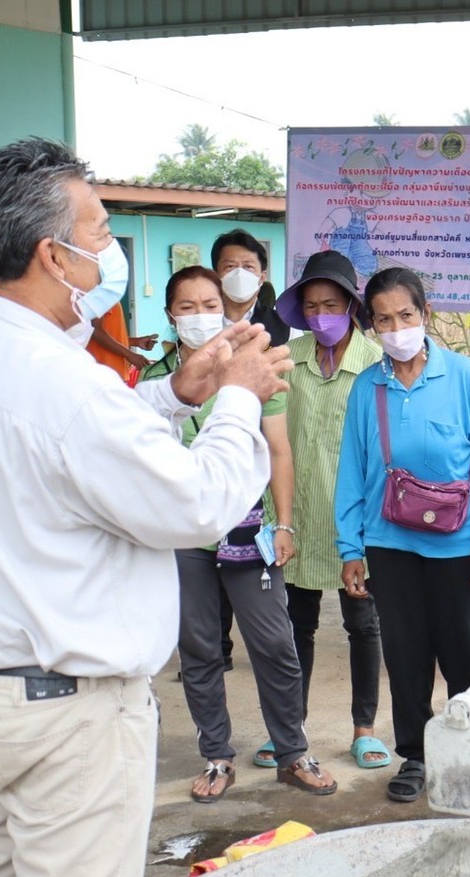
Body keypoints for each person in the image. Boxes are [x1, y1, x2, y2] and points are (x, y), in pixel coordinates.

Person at [0, 137, 290, 877]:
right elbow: (195, 503)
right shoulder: (58, 383)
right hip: (65, 716)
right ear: (53, 255)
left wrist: (177, 395)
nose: (109, 251)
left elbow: (65, 453)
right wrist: (238, 397)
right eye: (100, 232)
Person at [141, 266, 335, 801]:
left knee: (275, 643)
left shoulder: (252, 371)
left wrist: (285, 522)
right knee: (200, 647)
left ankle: (292, 753)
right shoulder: (155, 382)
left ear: (224, 311)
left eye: (210, 306)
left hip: (249, 531)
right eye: (187, 307)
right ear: (170, 315)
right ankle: (217, 757)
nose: (200, 316)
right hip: (183, 536)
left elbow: (278, 451)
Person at [334, 267, 470, 804]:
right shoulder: (367, 387)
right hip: (390, 543)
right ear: (371, 326)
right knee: (405, 656)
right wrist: (350, 547)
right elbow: (352, 470)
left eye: (405, 315)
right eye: (384, 320)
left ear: (425, 314)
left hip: (461, 545)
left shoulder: (464, 376)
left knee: (469, 655)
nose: (396, 328)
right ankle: (415, 755)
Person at [268, 250, 389, 771]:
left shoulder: (376, 363)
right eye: (312, 307)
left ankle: (364, 730)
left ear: (351, 307)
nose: (321, 316)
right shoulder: (285, 358)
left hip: (358, 519)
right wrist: (279, 519)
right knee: (297, 626)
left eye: (331, 305)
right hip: (298, 514)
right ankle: (289, 730)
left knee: (363, 624)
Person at [211, 228, 290, 669]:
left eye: (248, 266)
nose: (238, 274)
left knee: (249, 569)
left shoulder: (278, 328)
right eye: (229, 266)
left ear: (262, 276)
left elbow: (278, 439)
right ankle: (215, 648)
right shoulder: (202, 330)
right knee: (206, 565)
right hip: (209, 462)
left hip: (256, 462)